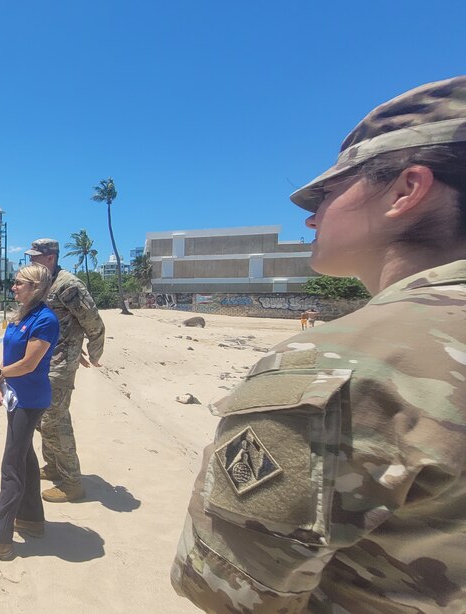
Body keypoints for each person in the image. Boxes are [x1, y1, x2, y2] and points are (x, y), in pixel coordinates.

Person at [172, 77, 466, 612]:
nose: (310, 216)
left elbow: (224, 587)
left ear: (406, 189)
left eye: (327, 192)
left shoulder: (342, 364)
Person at [0, 264, 59, 562]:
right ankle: (31, 519)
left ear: (35, 287)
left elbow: (30, 363)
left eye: (19, 283)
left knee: (12, 466)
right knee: (25, 458)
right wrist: (2, 383)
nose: (13, 287)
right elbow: (13, 355)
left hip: (31, 398)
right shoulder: (24, 315)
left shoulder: (45, 319)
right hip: (17, 396)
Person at [26, 238, 106, 502]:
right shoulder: (44, 283)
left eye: (35, 257)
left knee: (54, 420)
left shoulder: (68, 284)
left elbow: (93, 321)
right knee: (41, 418)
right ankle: (52, 467)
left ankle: (72, 482)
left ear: (50, 258)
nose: (30, 261)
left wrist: (91, 353)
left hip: (60, 363)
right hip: (42, 361)